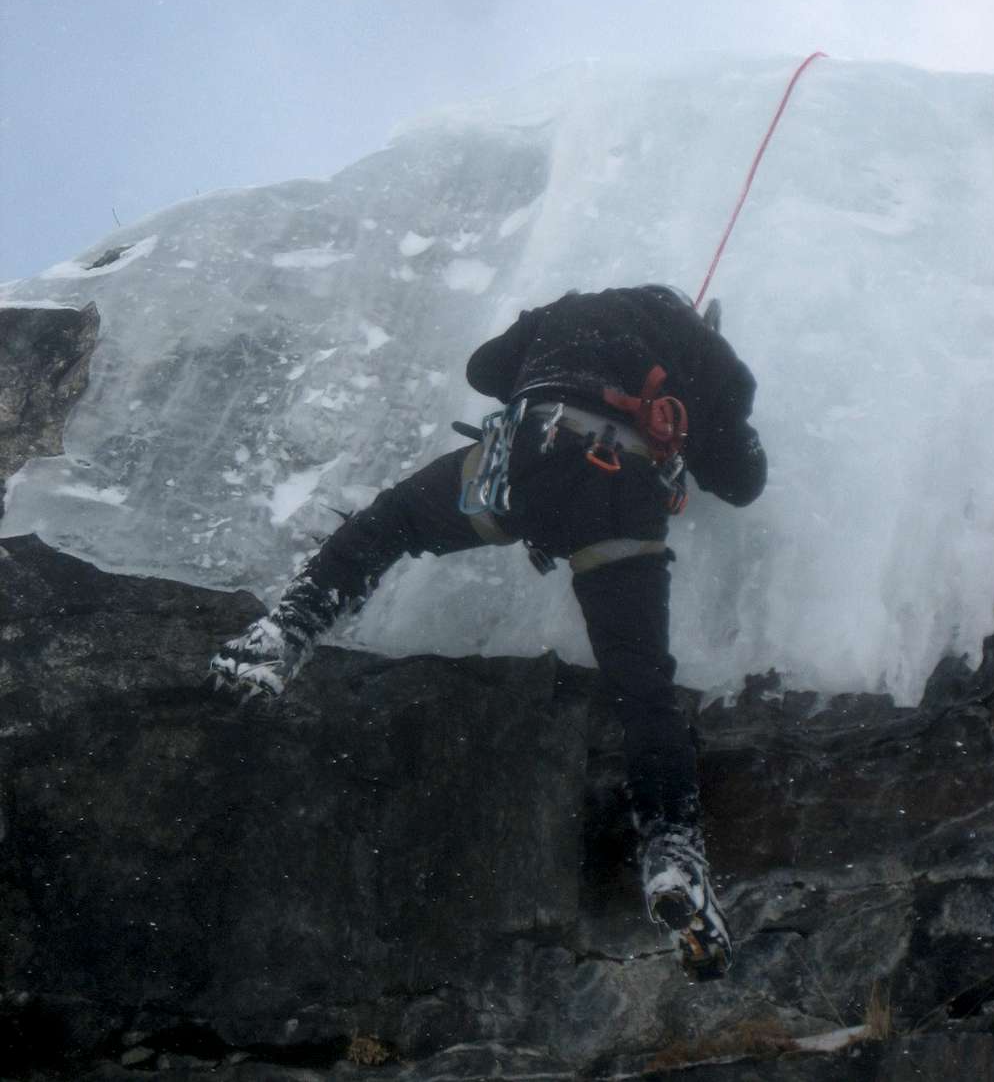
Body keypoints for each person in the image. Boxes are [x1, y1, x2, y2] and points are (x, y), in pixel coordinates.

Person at [210, 284, 766, 979]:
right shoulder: (698, 345)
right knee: (642, 685)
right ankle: (671, 850)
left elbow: (484, 369)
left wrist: (548, 357)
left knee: (395, 520)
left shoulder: (570, 312)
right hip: (620, 494)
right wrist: (698, 420)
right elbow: (744, 480)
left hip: (524, 462)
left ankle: (284, 633)